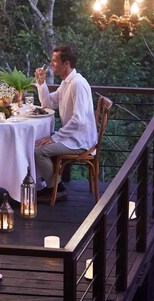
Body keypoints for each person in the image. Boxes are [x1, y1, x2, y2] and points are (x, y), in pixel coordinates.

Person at [33, 45, 97, 203]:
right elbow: (48, 104)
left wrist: (55, 138)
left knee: (38, 151)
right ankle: (51, 185)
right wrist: (41, 83)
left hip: (80, 140)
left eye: (54, 61)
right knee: (38, 142)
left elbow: (78, 120)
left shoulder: (78, 84)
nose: (51, 64)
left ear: (66, 64)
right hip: (71, 136)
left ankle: (57, 189)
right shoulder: (66, 83)